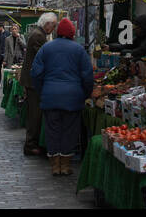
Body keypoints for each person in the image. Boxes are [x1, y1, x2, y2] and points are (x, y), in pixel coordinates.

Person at [31, 18, 94, 176]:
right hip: (73, 98)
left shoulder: (46, 48)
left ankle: (55, 166)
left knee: (52, 132)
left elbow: (36, 73)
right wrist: (84, 94)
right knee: (69, 132)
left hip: (50, 97)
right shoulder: (79, 50)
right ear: (72, 33)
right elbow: (87, 76)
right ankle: (65, 166)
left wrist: (42, 91)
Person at [20, 14, 57, 156]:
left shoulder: (39, 34)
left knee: (35, 113)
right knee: (34, 114)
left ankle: (33, 143)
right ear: (47, 24)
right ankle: (30, 145)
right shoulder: (38, 36)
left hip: (32, 80)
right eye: (52, 26)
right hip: (33, 81)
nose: (53, 29)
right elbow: (42, 57)